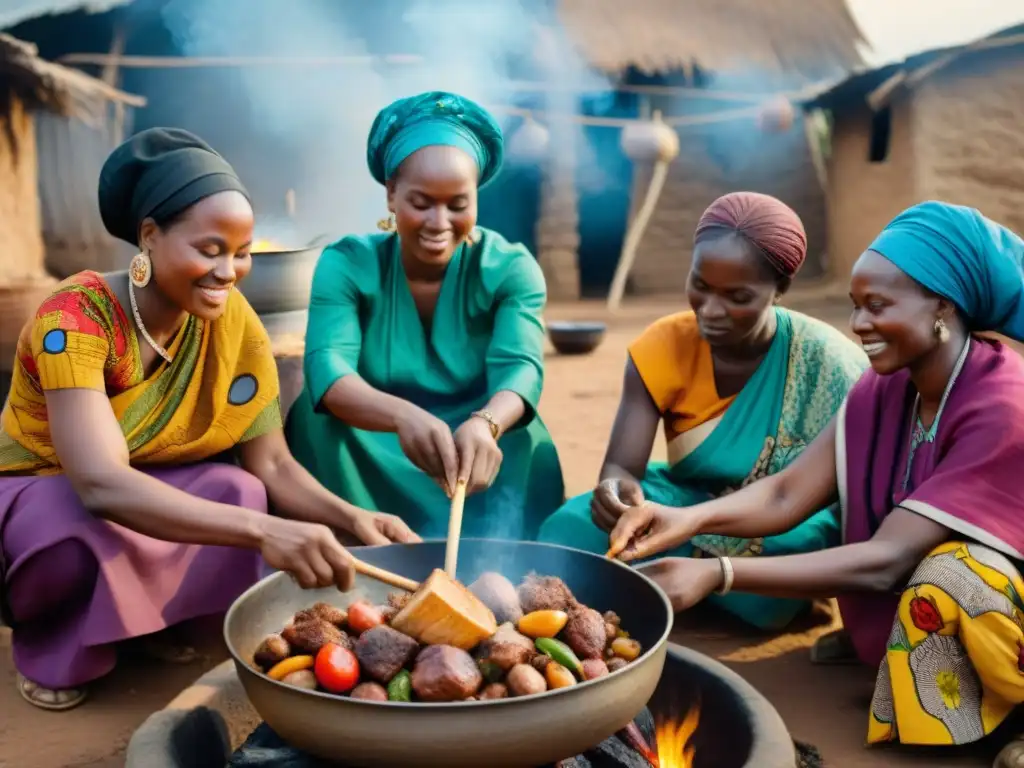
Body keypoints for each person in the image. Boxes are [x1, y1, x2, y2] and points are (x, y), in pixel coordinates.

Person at [0, 128, 418, 712]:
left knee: (239, 488)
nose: (229, 271)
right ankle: (58, 647)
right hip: (49, 491)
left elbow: (271, 462)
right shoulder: (74, 318)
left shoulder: (229, 319)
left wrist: (354, 517)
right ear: (149, 236)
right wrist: (265, 531)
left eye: (242, 251)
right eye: (209, 249)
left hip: (138, 488)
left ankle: (161, 629)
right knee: (71, 529)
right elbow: (98, 483)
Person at [607, 201, 1024, 763]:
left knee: (952, 577)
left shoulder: (1001, 405)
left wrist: (716, 573)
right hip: (910, 584)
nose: (859, 326)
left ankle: (1012, 719)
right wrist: (686, 519)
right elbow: (786, 493)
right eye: (856, 307)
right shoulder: (887, 387)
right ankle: (893, 649)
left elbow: (884, 560)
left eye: (877, 306)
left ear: (943, 307)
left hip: (999, 605)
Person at [537, 191, 867, 631]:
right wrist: (618, 495)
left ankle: (686, 582)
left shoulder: (829, 364)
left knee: (780, 572)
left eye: (738, 296)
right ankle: (698, 583)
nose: (711, 310)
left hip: (776, 519)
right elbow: (622, 466)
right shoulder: (663, 345)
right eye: (700, 285)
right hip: (684, 498)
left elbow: (838, 499)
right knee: (566, 533)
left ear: (780, 290)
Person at [284, 91, 564, 541]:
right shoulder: (347, 263)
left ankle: (506, 566)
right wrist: (400, 416)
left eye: (458, 204)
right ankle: (353, 555)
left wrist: (486, 423)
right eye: (421, 202)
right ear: (391, 193)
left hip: (471, 436)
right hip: (373, 433)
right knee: (316, 423)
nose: (439, 221)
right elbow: (328, 368)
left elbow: (521, 369)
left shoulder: (511, 268)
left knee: (524, 437)